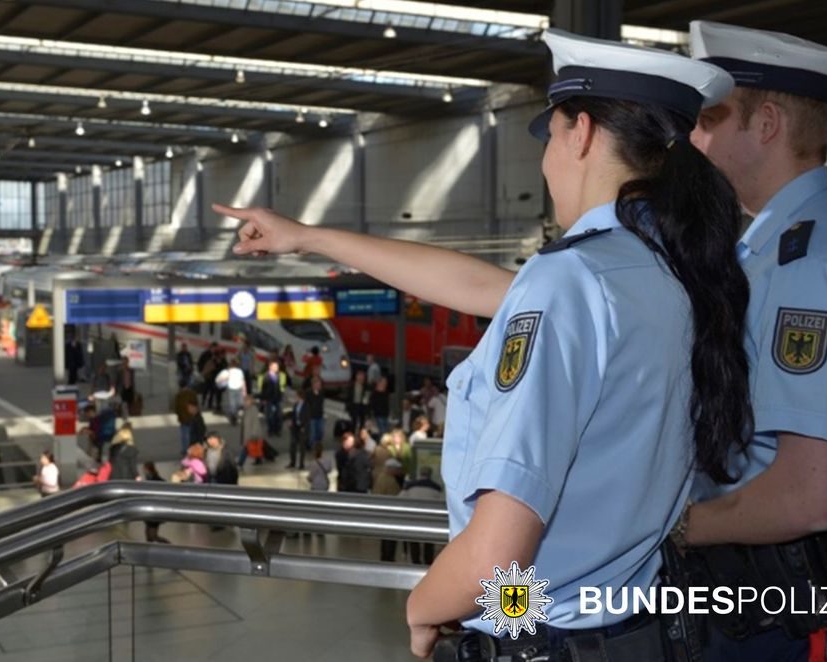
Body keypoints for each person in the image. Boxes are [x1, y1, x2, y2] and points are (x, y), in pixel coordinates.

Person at [214, 27, 754, 661]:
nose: (548, 157)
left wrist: (426, 609)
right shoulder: (661, 273)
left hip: (553, 643)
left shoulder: (572, 279)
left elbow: (502, 558)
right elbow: (475, 284)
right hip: (631, 630)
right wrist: (308, 237)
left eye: (551, 135)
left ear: (578, 133)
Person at [675, 22, 827, 662]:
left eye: (711, 119)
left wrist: (666, 528)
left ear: (767, 124)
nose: (694, 137)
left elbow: (807, 494)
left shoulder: (809, 265)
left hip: (787, 607)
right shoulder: (777, 248)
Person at [400, 466, 445, 565]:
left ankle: (415, 561)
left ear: (420, 474)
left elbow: (400, 499)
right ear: (430, 474)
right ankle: (427, 562)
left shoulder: (410, 486)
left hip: (413, 517)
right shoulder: (436, 488)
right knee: (429, 541)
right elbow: (442, 503)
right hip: (430, 518)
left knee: (413, 540)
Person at [373, 458, 406, 561]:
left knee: (385, 539)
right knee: (390, 539)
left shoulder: (380, 478)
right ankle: (389, 558)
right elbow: (396, 497)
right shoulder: (390, 481)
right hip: (390, 514)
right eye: (396, 469)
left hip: (382, 513)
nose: (398, 471)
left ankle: (385, 557)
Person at [256, 360, 287, 437]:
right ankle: (271, 430)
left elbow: (281, 386)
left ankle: (277, 430)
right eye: (275, 367)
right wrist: (263, 399)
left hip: (277, 398)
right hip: (269, 398)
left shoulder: (279, 376)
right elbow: (263, 389)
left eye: (277, 367)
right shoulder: (266, 376)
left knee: (279, 415)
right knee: (269, 416)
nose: (276, 368)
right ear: (270, 367)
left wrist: (281, 394)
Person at [142, 462, 170, 544]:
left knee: (152, 536)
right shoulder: (156, 480)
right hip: (152, 512)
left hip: (153, 512)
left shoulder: (152, 481)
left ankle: (168, 545)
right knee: (149, 535)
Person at [287, 387, 311, 470]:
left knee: (302, 447)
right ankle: (292, 462)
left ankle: (301, 464)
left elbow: (307, 418)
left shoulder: (306, 406)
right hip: (295, 427)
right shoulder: (296, 405)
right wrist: (291, 421)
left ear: (300, 397)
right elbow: (294, 414)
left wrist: (304, 427)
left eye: (296, 396)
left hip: (302, 428)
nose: (295, 398)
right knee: (292, 445)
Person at [174, 386, 200, 455]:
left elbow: (176, 407)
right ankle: (190, 448)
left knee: (184, 434)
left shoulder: (179, 395)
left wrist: (179, 414)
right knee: (191, 434)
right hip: (191, 416)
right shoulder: (192, 394)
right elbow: (196, 404)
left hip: (183, 417)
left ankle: (185, 449)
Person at [306, 376, 326, 445]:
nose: (319, 386)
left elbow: (321, 403)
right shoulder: (308, 393)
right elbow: (307, 404)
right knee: (312, 433)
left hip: (319, 415)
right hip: (311, 416)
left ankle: (317, 443)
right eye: (318, 384)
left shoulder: (321, 392)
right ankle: (311, 445)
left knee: (320, 432)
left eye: (320, 384)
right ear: (313, 384)